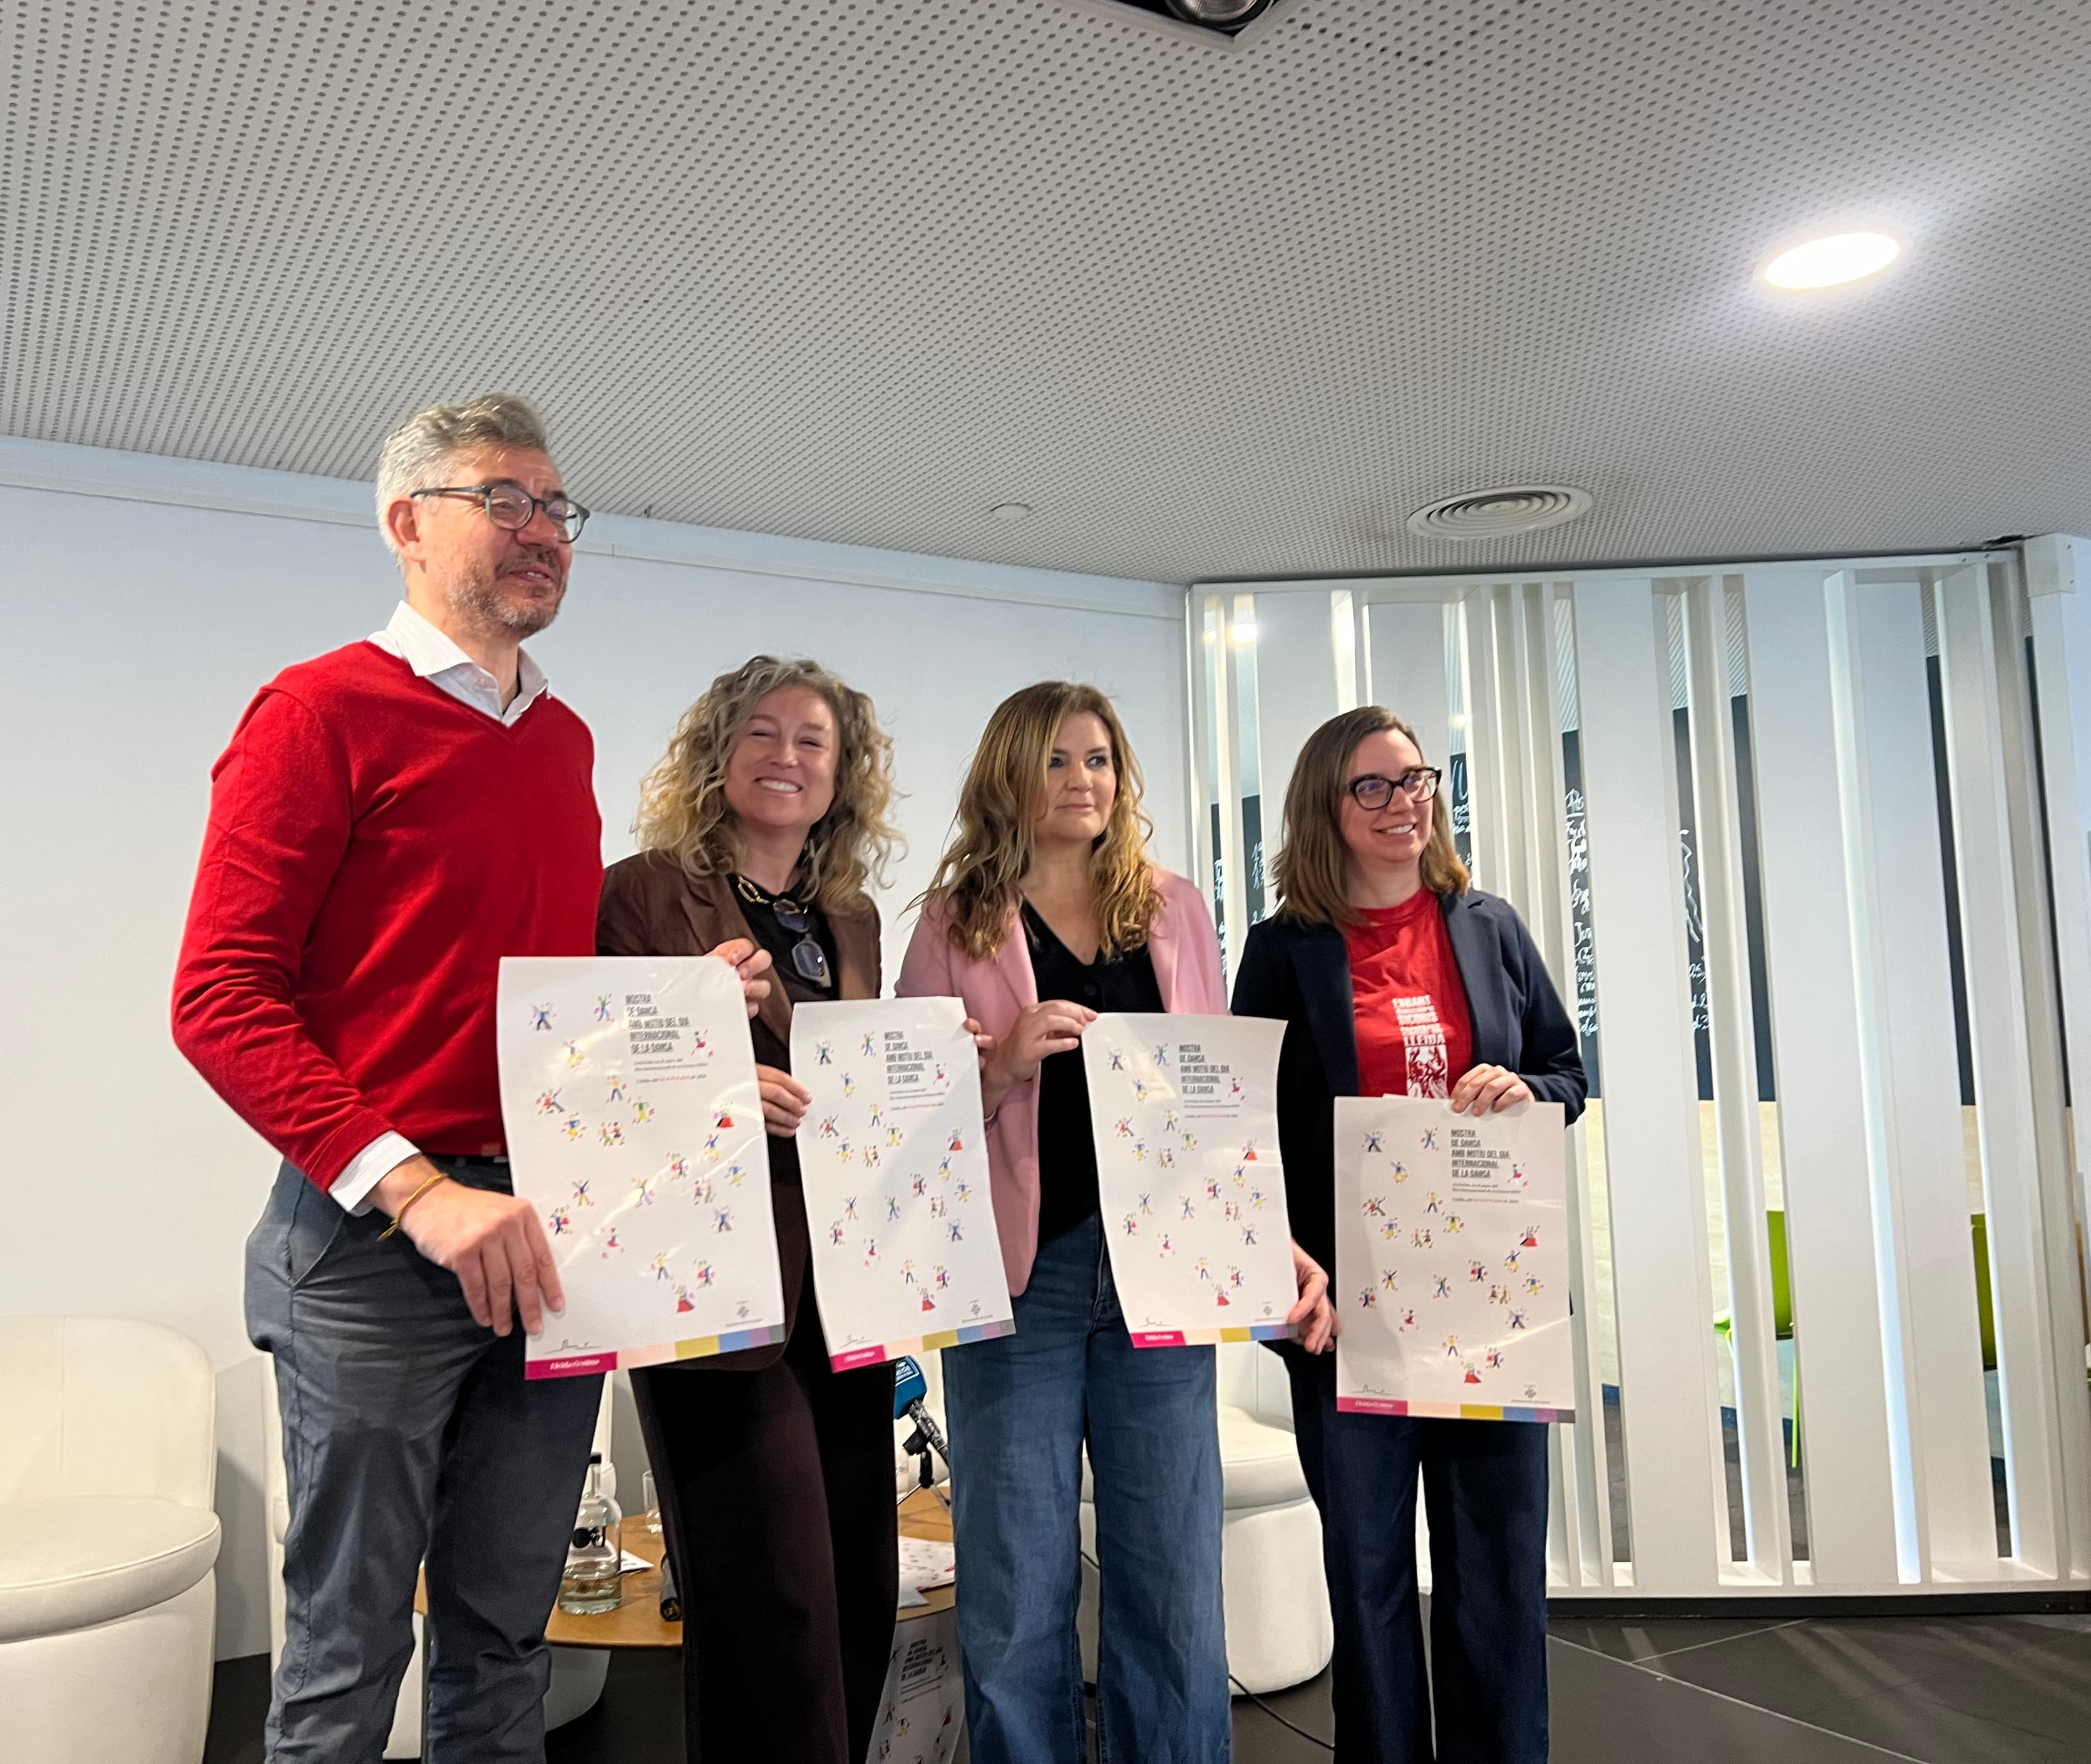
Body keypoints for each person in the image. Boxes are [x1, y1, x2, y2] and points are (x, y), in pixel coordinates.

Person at [171, 394, 768, 1762]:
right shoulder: (316, 712)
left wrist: (684, 1006)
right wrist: (423, 1193)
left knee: (508, 1639)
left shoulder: (561, 745)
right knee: (344, 1659)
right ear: (406, 522)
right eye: (505, 500)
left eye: (560, 511)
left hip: (554, 1237)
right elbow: (218, 1000)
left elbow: (532, 1011)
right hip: (379, 1248)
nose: (543, 533)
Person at [896, 680, 1332, 1764]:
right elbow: (896, 1109)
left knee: (1173, 1577)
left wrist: (1261, 1230)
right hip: (1019, 1280)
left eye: (1098, 759)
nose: (1082, 780)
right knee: (1016, 1580)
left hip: (1163, 1276)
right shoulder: (954, 921)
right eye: (1055, 760)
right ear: (1010, 774)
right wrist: (997, 1064)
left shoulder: (1174, 907)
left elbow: (1219, 1095)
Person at [1231, 705, 1586, 1764]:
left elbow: (1569, 1076)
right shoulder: (1284, 951)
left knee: (1497, 1577)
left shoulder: (1490, 925)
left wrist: (1521, 1085)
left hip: (1489, 1307)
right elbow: (1245, 1129)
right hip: (1351, 1314)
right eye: (1373, 787)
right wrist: (1288, 1280)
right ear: (1326, 810)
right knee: (1371, 1578)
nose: (1404, 802)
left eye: (1416, 779)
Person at [596, 655, 912, 1763]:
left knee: (862, 1586)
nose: (787, 757)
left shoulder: (855, 916)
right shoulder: (639, 893)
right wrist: (714, 1082)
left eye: (813, 741)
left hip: (846, 1286)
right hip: (713, 1290)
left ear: (843, 771)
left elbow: (851, 1088)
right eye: (763, 735)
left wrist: (921, 1072)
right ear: (717, 755)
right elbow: (590, 1087)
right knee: (770, 1599)